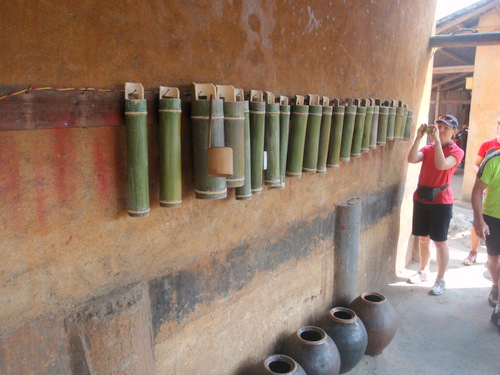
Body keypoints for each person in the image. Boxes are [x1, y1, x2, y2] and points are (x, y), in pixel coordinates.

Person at [407, 115, 464, 296]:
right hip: (422, 197)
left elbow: (441, 165)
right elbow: (412, 158)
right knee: (423, 238)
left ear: (454, 132)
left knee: (440, 241)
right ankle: (424, 271)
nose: (440, 130)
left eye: (446, 127)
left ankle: (440, 279)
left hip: (441, 201)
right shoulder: (429, 147)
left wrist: (437, 142)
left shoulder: (456, 152)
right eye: (438, 126)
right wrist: (418, 137)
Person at [463, 118, 500, 266]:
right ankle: (473, 252)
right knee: (477, 221)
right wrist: (485, 181)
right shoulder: (488, 145)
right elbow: (475, 165)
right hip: (484, 189)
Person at [471, 149, 500, 330]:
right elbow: (477, 190)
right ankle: (495, 285)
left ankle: (498, 310)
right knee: (494, 260)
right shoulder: (493, 160)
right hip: (493, 218)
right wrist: (480, 221)